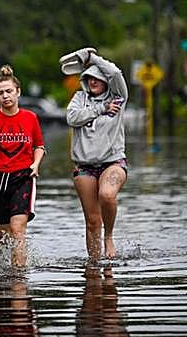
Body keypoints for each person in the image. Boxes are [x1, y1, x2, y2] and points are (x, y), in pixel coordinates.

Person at [0, 65, 45, 268]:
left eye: (9, 91)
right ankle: (4, 273)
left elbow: (39, 146)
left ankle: (18, 279)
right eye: (1, 93)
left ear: (18, 92)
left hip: (23, 177)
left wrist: (36, 164)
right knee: (3, 236)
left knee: (17, 229)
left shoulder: (30, 118)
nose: (5, 96)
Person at [62, 47, 128, 262]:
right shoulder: (80, 98)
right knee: (92, 221)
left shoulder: (118, 97)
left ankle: (109, 236)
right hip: (84, 166)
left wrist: (92, 58)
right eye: (89, 78)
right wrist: (100, 109)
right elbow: (72, 118)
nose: (92, 81)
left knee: (107, 195)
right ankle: (93, 266)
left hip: (112, 161)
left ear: (106, 81)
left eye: (97, 78)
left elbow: (116, 74)